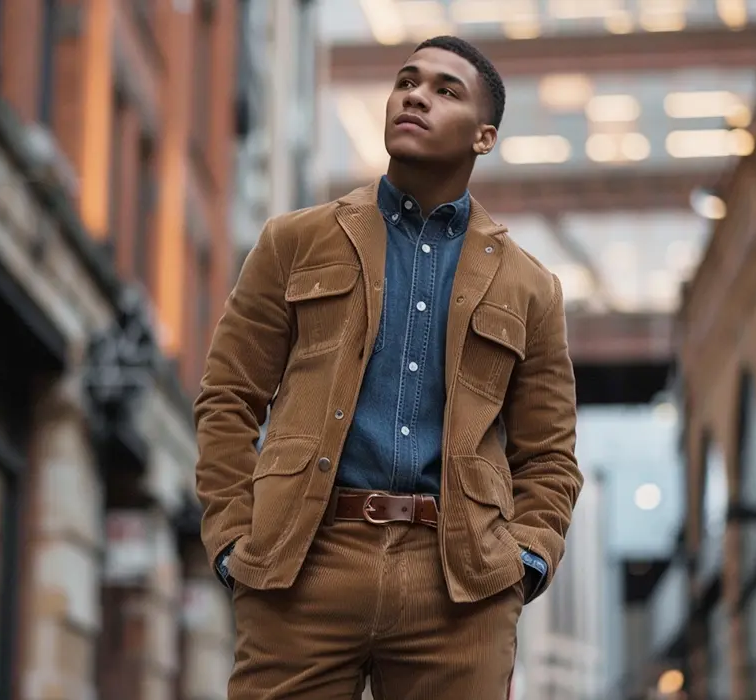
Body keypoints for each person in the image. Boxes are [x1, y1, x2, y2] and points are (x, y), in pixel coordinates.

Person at [194, 35, 582, 700]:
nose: (415, 95)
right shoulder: (294, 241)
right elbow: (228, 396)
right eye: (407, 81)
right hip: (302, 563)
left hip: (461, 585)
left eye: (444, 90)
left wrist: (523, 562)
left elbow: (549, 455)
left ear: (483, 137)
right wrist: (234, 540)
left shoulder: (530, 287)